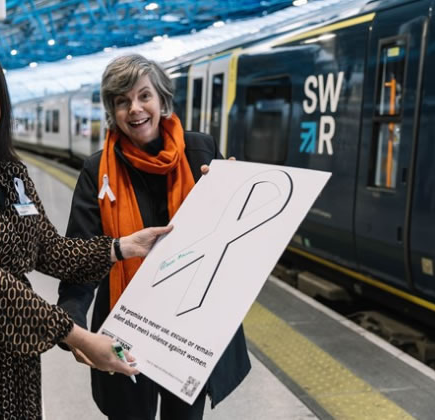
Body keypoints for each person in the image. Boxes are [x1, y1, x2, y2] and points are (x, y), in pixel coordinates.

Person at [0, 42, 171, 419]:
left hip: (10, 358)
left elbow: (48, 249)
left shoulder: (10, 173)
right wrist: (76, 335)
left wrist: (122, 247)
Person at [57, 54, 251, 420]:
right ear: (112, 111)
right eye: (121, 101)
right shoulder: (96, 171)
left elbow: (233, 243)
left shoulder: (201, 152)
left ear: (162, 100)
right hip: (125, 326)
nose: (135, 109)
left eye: (144, 96)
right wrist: (74, 325)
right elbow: (81, 259)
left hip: (189, 329)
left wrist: (236, 193)